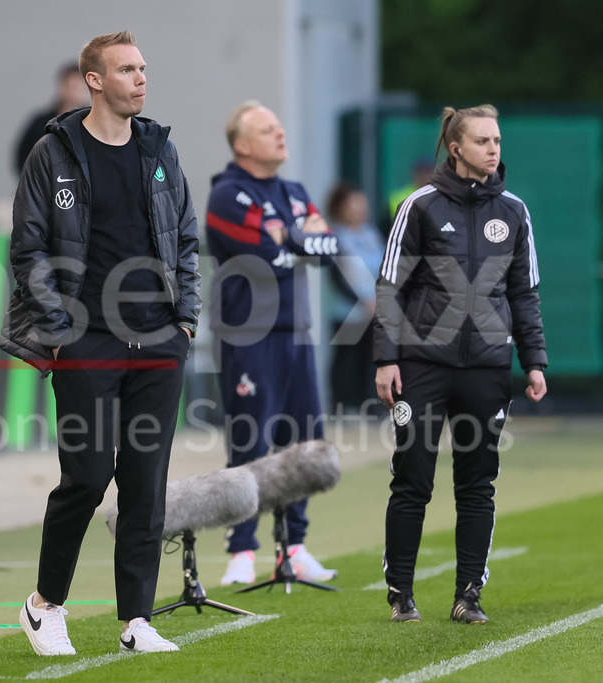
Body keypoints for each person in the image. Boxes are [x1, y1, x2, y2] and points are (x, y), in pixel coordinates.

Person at [0, 30, 200, 656]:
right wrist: (59, 332)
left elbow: (185, 239)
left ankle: (137, 619)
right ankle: (44, 605)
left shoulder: (159, 149)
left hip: (158, 340)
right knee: (86, 477)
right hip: (85, 339)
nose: (141, 79)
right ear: (94, 80)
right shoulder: (52, 152)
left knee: (145, 483)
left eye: (143, 69)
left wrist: (185, 321)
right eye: (127, 70)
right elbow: (28, 249)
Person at [374, 104, 547, 624]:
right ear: (456, 149)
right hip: (422, 366)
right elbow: (390, 287)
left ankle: (467, 595)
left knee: (477, 484)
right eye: (482, 141)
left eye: (497, 140)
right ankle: (401, 594)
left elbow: (524, 293)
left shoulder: (513, 211)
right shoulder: (420, 206)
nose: (494, 149)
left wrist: (534, 360)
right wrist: (386, 359)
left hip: (487, 369)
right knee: (413, 480)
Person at [205, 101, 339, 587]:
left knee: (304, 445)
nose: (280, 134)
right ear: (242, 144)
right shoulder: (227, 195)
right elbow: (263, 254)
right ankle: (241, 550)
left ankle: (294, 546)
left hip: (296, 333)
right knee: (251, 443)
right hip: (248, 335)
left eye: (279, 127)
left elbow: (327, 248)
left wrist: (289, 237)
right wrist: (294, 239)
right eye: (267, 130)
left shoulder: (295, 191)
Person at [326, 182, 384, 413]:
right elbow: (337, 277)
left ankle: (367, 405)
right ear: (341, 208)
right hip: (348, 311)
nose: (359, 211)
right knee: (346, 359)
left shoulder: (372, 235)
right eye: (353, 206)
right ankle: (341, 406)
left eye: (362, 206)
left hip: (374, 310)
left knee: (368, 360)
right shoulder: (336, 237)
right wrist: (362, 300)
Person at [12, 61, 88, 176]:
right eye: (73, 87)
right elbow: (23, 157)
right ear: (62, 87)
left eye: (80, 87)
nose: (76, 93)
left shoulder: (97, 125)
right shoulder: (41, 123)